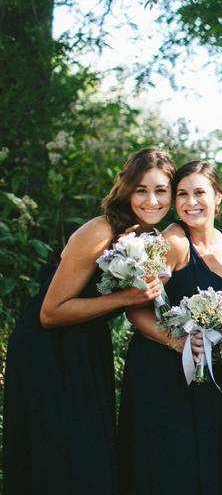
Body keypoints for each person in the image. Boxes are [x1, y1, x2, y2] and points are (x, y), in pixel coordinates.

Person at [3, 147, 172, 495]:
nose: (151, 200)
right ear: (126, 189)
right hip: (48, 349)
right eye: (141, 189)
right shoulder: (100, 230)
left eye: (161, 191)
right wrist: (128, 297)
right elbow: (50, 314)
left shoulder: (146, 238)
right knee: (60, 458)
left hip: (88, 345)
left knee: (91, 456)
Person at [118, 160, 222, 494]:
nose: (191, 202)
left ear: (218, 197)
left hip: (210, 376)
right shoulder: (173, 243)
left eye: (199, 193)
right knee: (169, 466)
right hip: (162, 370)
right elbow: (135, 308)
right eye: (182, 195)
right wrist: (178, 342)